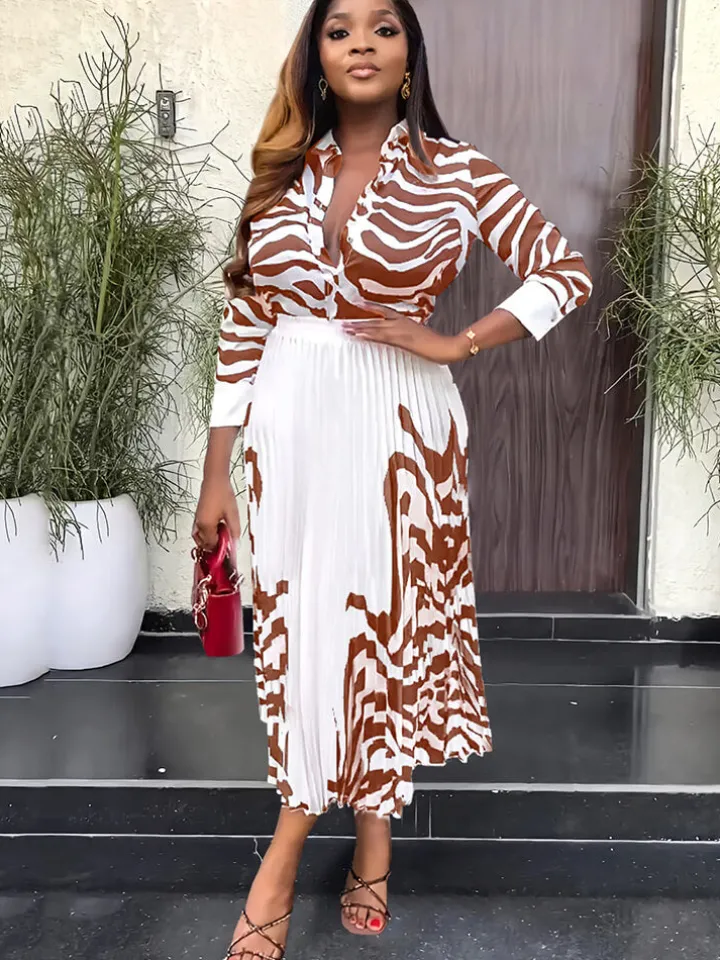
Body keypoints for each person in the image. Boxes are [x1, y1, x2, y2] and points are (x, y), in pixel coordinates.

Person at [192, 0, 593, 956]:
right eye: (340, 30)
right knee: (300, 634)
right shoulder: (283, 171)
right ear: (317, 56)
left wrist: (460, 340)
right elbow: (245, 323)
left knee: (380, 629)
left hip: (400, 430)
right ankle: (368, 831)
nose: (361, 44)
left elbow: (564, 271)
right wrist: (216, 472)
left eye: (383, 27)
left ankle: (290, 852)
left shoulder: (455, 172)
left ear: (410, 53)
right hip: (290, 424)